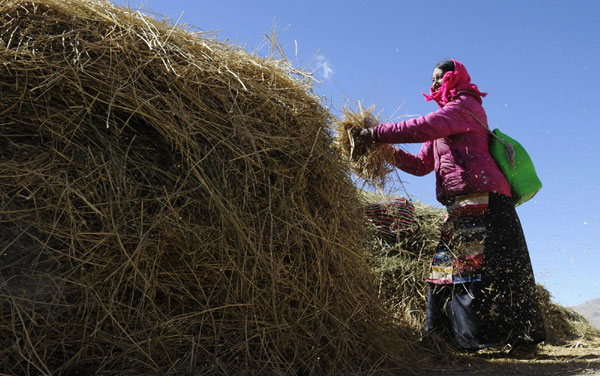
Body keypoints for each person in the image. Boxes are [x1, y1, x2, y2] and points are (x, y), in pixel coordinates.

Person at [357, 59, 546, 352]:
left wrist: (375, 133)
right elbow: (421, 165)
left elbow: (423, 127)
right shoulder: (446, 118)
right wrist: (383, 152)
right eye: (431, 79)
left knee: (490, 271)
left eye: (439, 78)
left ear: (454, 78)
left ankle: (516, 340)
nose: (433, 84)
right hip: (461, 204)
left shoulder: (466, 106)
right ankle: (446, 340)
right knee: (443, 273)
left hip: (485, 199)